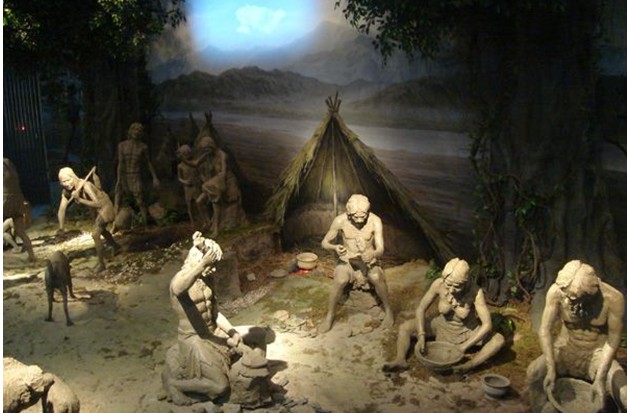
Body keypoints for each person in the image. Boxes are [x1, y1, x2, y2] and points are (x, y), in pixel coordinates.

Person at [526, 260, 626, 413]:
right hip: (566, 350)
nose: (566, 301)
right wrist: (551, 367)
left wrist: (601, 376)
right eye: (565, 296)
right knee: (534, 372)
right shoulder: (557, 292)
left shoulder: (613, 299)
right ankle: (538, 409)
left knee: (625, 395)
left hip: (597, 355)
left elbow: (613, 340)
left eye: (573, 299)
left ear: (590, 296)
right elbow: (545, 330)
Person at [162, 234, 245, 405]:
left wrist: (232, 331)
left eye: (214, 265)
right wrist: (202, 264)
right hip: (193, 339)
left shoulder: (207, 280)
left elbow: (215, 313)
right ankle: (176, 385)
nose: (213, 269)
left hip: (212, 332)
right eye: (211, 265)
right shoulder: (180, 280)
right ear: (199, 261)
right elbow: (178, 288)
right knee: (220, 387)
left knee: (251, 344)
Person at [383, 258, 505, 373]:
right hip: (442, 326)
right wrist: (421, 335)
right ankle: (400, 360)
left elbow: (487, 325)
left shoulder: (475, 292)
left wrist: (463, 347)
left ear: (466, 282)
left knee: (498, 340)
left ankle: (469, 366)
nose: (451, 290)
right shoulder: (439, 284)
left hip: (467, 331)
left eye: (457, 286)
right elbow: (421, 309)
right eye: (448, 284)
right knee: (405, 327)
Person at [319, 194, 394, 333]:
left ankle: (389, 311)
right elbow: (324, 243)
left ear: (368, 212)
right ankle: (330, 315)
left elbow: (380, 248)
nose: (360, 220)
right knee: (340, 279)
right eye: (356, 217)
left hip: (368, 261)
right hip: (348, 261)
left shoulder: (375, 221)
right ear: (349, 213)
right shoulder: (340, 221)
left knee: (377, 277)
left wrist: (373, 254)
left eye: (363, 216)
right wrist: (335, 247)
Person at [57, 167, 120, 272]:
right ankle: (116, 247)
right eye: (63, 182)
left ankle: (101, 264)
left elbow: (98, 204)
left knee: (95, 235)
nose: (66, 184)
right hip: (97, 209)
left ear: (73, 177)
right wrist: (61, 227)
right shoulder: (66, 192)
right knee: (102, 230)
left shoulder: (86, 186)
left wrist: (80, 199)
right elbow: (61, 210)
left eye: (68, 180)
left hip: (105, 206)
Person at [114, 122, 160, 227]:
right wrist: (118, 180)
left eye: (139, 130)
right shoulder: (122, 146)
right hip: (124, 175)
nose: (137, 132)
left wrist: (154, 177)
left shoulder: (143, 147)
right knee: (119, 196)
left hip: (135, 175)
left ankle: (145, 223)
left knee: (140, 200)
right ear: (130, 131)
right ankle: (115, 223)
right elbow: (120, 163)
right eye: (135, 129)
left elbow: (148, 162)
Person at [3, 158, 35, 261]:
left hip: (5, 199)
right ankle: (32, 256)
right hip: (18, 200)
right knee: (21, 231)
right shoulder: (10, 165)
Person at [176, 145, 203, 226]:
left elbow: (200, 173)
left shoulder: (194, 163)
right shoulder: (180, 166)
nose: (187, 155)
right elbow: (179, 178)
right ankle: (192, 222)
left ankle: (202, 220)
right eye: (185, 154)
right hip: (187, 188)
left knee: (199, 203)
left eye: (188, 153)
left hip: (196, 186)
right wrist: (185, 182)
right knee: (189, 205)